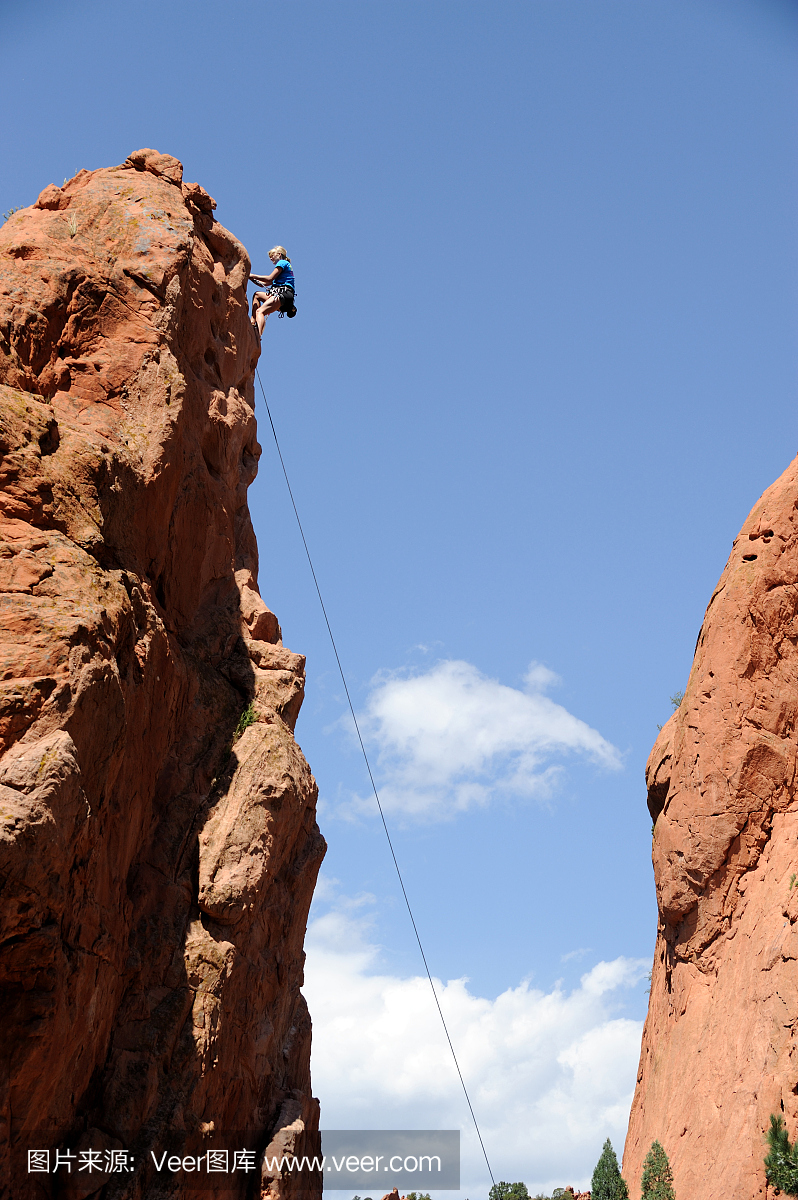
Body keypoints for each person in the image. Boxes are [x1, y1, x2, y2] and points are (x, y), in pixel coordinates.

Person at [250, 246, 296, 334]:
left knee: (260, 311)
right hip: (284, 297)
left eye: (272, 255)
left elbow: (269, 278)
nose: (271, 258)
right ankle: (252, 321)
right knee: (257, 295)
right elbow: (265, 284)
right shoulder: (284, 269)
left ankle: (257, 334)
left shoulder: (282, 262)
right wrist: (251, 278)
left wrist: (252, 275)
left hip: (283, 294)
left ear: (279, 254)